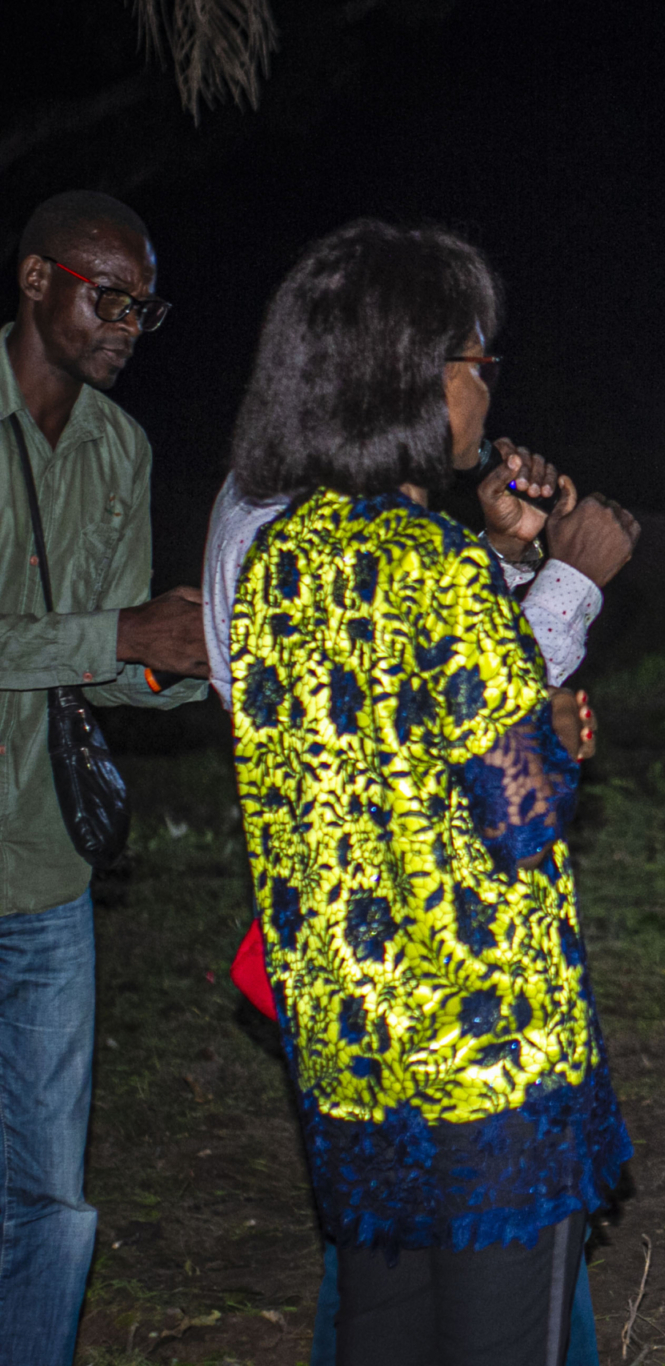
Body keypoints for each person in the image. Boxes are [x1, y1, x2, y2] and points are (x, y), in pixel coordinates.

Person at [225, 218, 637, 1366]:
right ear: (406, 374)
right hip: (486, 1055)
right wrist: (549, 739)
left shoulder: (281, 561)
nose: (485, 386)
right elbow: (517, 809)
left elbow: (353, 770)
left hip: (359, 1056)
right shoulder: (436, 567)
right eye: (475, 361)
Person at [0, 189, 211, 1363]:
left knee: (51, 1202)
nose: (130, 322)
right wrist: (119, 636)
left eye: (145, 304)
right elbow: (91, 634)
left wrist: (203, 664)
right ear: (36, 281)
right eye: (107, 295)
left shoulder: (119, 450)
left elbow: (104, 667)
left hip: (43, 872)